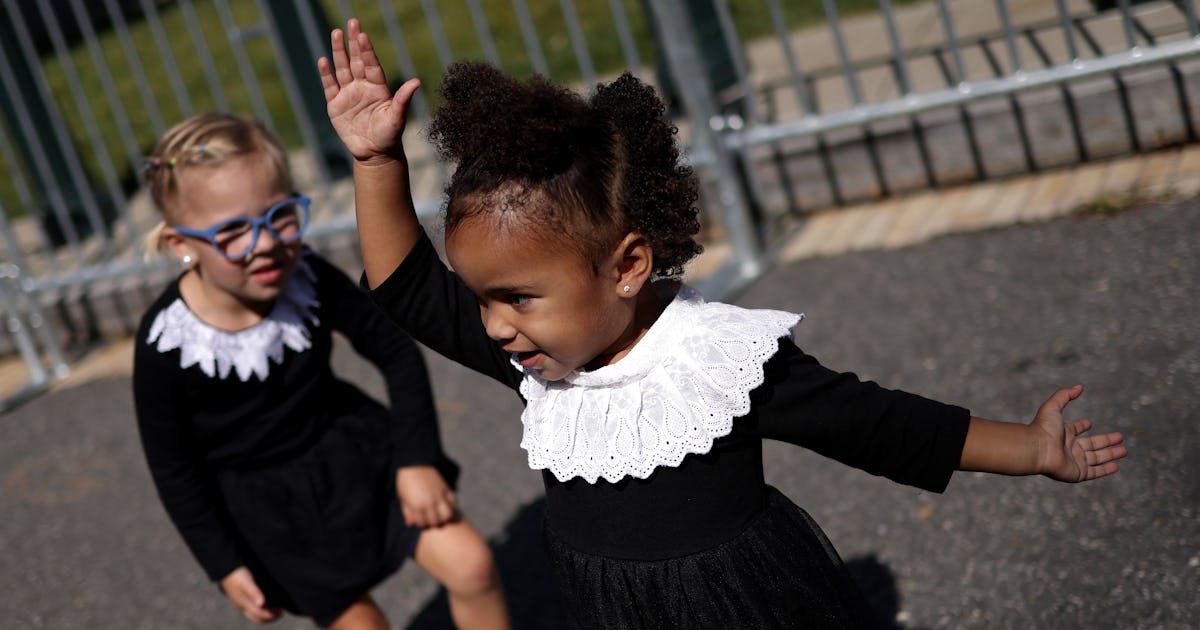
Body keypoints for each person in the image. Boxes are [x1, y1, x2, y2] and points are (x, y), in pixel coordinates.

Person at [318, 20, 1127, 629]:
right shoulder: (542, 359)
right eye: (482, 297)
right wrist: (374, 161)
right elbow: (405, 285)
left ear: (628, 266)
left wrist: (1030, 448)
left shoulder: (717, 363)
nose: (492, 326)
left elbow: (877, 423)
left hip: (750, 609)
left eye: (516, 297)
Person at [131, 112, 510, 630]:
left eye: (280, 216)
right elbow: (175, 469)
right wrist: (224, 565)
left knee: (473, 566)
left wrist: (417, 459)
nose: (266, 244)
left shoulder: (306, 275)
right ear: (180, 245)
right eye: (234, 231)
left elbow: (395, 351)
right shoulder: (166, 344)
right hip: (277, 519)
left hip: (360, 459)